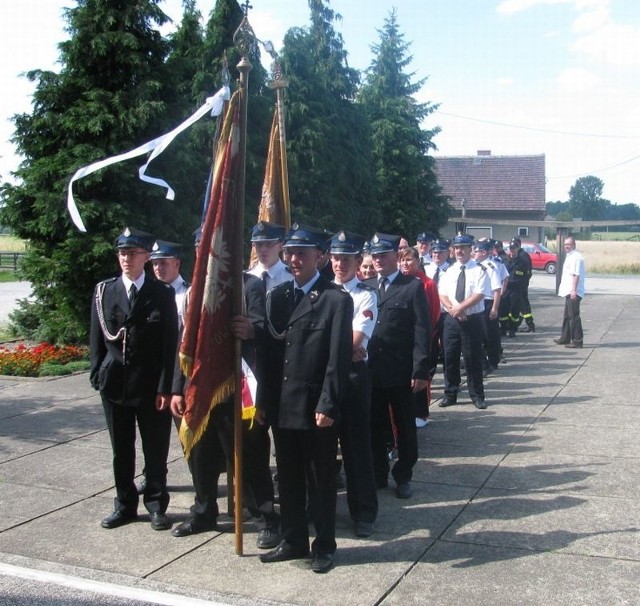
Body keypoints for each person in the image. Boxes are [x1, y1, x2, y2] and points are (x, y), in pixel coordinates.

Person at [256, 223, 353, 574]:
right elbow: (270, 358)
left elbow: (337, 360)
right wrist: (264, 401)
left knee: (320, 481)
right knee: (289, 477)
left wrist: (328, 404)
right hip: (283, 406)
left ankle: (324, 545)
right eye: (290, 253)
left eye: (302, 253)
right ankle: (293, 539)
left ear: (320, 257)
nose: (294, 259)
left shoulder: (335, 300)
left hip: (315, 408)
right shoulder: (277, 297)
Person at [90, 227, 178, 531]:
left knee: (155, 450)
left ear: (146, 257)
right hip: (115, 384)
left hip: (151, 385)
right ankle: (124, 504)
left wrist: (167, 387)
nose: (126, 258)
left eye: (133, 253)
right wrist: (97, 374)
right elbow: (97, 340)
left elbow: (170, 345)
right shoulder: (105, 291)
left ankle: (156, 505)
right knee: (121, 450)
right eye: (122, 253)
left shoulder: (161, 293)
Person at [365, 233, 431, 499]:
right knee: (374, 426)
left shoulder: (411, 287)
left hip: (402, 371)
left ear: (396, 256)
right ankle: (378, 472)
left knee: (405, 427)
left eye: (383, 255)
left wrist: (420, 370)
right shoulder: (366, 285)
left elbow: (422, 332)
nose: (378, 260)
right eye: (375, 255)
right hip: (371, 371)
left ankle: (404, 474)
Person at [329, 230, 379, 538]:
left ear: (358, 261)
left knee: (356, 449)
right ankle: (319, 509)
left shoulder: (365, 295)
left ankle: (363, 513)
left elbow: (358, 340)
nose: (340, 265)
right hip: (324, 376)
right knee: (320, 449)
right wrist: (343, 344)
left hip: (352, 377)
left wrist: (335, 343)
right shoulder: (320, 292)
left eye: (346, 259)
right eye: (335, 258)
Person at [438, 234, 490, 409]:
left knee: (472, 358)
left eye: (463, 248)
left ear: (470, 250)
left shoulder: (479, 270)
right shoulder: (449, 271)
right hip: (452, 320)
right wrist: (454, 310)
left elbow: (479, 294)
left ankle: (477, 395)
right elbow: (442, 294)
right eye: (457, 248)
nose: (459, 251)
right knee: (450, 357)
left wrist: (460, 308)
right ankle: (450, 394)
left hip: (472, 319)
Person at [397, 246, 440, 428]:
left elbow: (434, 313)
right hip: (402, 340)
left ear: (417, 262)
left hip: (421, 338)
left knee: (421, 378)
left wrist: (425, 337)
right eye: (402, 260)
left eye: (409, 260)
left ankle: (422, 413)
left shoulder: (427, 283)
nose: (405, 264)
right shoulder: (398, 283)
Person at [473, 239, 503, 374]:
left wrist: (495, 308)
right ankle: (483, 362)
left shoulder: (490, 266)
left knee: (489, 335)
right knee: (480, 335)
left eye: (476, 251)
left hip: (488, 302)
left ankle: (491, 362)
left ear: (483, 252)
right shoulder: (475, 266)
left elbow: (497, 289)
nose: (474, 253)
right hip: (478, 302)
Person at [554, 235, 585, 348]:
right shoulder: (570, 256)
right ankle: (565, 337)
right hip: (568, 290)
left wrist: (573, 290)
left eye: (569, 244)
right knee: (567, 316)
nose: (567, 246)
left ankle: (577, 340)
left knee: (574, 316)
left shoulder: (576, 257)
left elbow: (576, 274)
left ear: (574, 245)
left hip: (573, 291)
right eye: (565, 245)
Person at [246, 221, 293, 291]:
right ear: (253, 246)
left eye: (269, 244)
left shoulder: (292, 278)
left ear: (281, 246)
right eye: (259, 244)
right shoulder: (245, 278)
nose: (263, 249)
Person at [500, 237, 531, 338]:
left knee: (514, 311)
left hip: (516, 289)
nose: (512, 250)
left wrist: (522, 288)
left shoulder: (522, 261)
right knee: (503, 310)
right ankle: (503, 328)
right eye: (511, 248)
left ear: (518, 248)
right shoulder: (504, 261)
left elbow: (526, 276)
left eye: (514, 248)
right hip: (506, 289)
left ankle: (512, 329)